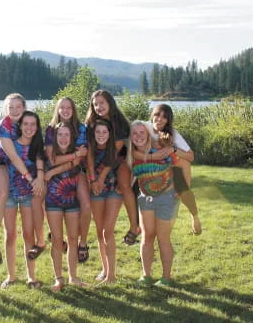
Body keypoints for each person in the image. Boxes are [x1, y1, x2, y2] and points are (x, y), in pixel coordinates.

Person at [0, 94, 45, 265]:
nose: (15, 111)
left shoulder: (28, 123)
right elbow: (12, 156)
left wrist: (39, 177)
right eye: (10, 107)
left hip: (19, 169)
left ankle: (44, 239)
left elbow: (38, 149)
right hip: (1, 161)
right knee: (3, 193)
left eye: (18, 107)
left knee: (38, 202)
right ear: (6, 109)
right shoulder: (4, 126)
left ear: (24, 107)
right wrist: (30, 177)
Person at [128, 120, 179, 287]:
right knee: (147, 236)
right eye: (134, 133)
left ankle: (166, 277)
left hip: (167, 198)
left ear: (148, 134)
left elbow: (178, 165)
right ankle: (146, 275)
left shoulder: (161, 148)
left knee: (163, 238)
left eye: (142, 132)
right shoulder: (131, 155)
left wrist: (181, 188)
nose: (138, 136)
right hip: (145, 199)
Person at [85, 90, 140, 245]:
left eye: (102, 103)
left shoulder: (120, 123)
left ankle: (134, 226)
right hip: (98, 160)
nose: (99, 107)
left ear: (110, 102)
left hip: (119, 159)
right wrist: (93, 179)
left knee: (124, 185)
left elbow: (114, 154)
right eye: (95, 104)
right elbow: (89, 153)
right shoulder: (90, 124)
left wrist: (102, 178)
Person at [0, 111, 45, 289]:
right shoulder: (11, 145)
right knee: (10, 235)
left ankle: (31, 277)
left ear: (37, 127)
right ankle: (10, 276)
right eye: (26, 124)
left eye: (33, 124)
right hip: (9, 194)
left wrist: (39, 178)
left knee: (28, 235)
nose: (29, 128)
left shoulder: (38, 145)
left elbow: (40, 164)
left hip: (28, 196)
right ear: (20, 125)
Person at [141, 104, 202, 235]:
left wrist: (173, 149)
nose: (159, 119)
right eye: (157, 115)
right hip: (150, 171)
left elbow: (190, 156)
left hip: (172, 169)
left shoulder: (173, 134)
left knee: (184, 185)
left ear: (168, 120)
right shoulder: (143, 128)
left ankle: (195, 217)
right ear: (152, 115)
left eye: (164, 117)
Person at [44, 98, 90, 263]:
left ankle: (82, 242)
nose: (65, 110)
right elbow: (53, 159)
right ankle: (55, 236)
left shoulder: (81, 129)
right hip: (56, 177)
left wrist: (74, 158)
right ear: (57, 109)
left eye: (68, 107)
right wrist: (75, 155)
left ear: (73, 109)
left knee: (85, 204)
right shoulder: (50, 129)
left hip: (77, 172)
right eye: (61, 107)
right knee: (51, 202)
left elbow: (77, 161)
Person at [44, 122, 86, 291]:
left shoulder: (77, 152)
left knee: (73, 239)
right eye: (60, 134)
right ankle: (58, 278)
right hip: (52, 202)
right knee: (56, 240)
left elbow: (73, 163)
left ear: (71, 137)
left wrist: (51, 173)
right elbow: (52, 162)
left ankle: (73, 277)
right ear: (55, 137)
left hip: (72, 202)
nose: (63, 138)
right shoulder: (49, 153)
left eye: (66, 135)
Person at [87, 119, 123, 284]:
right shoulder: (90, 150)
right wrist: (93, 183)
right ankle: (105, 269)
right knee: (100, 232)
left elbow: (127, 168)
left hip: (113, 191)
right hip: (96, 192)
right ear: (93, 134)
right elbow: (87, 170)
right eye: (98, 132)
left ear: (110, 134)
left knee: (108, 231)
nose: (101, 135)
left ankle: (111, 276)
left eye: (105, 132)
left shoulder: (114, 150)